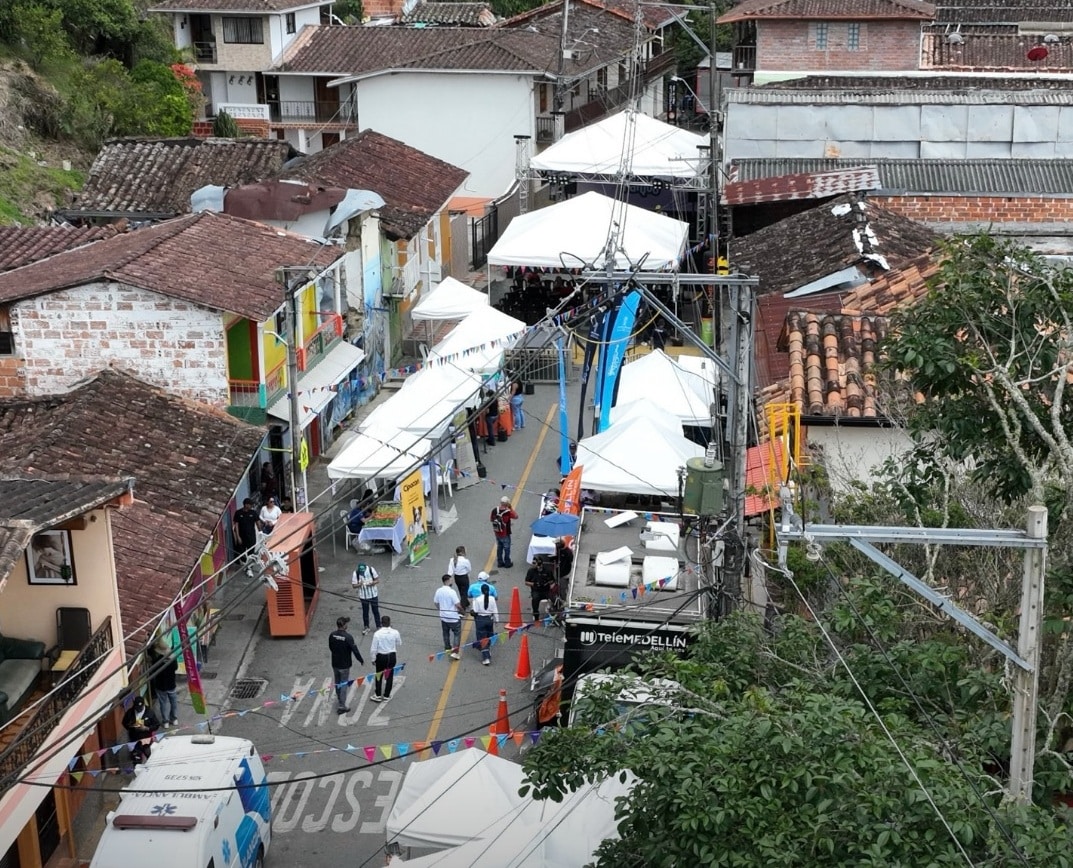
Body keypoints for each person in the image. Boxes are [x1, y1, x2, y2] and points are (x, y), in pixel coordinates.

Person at [328, 616, 365, 715]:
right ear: (344, 625)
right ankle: (342, 705)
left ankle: (340, 698)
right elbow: (355, 650)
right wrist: (360, 660)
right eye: (346, 623)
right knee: (344, 683)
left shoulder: (332, 635)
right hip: (344, 665)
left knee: (337, 682)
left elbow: (331, 647)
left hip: (335, 663)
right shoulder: (348, 637)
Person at [149, 638, 179, 729]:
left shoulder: (157, 661)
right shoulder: (173, 660)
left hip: (160, 686)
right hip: (171, 685)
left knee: (163, 704)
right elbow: (176, 668)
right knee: (173, 702)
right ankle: (174, 719)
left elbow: (153, 671)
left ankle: (165, 721)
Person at [370, 616, 402, 702]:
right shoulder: (395, 632)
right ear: (389, 623)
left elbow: (373, 649)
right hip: (391, 656)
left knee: (379, 675)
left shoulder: (377, 634)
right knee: (389, 675)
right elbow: (399, 643)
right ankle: (387, 695)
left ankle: (378, 694)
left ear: (381, 623)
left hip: (381, 657)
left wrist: (373, 659)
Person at [122, 695, 160, 764]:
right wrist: (132, 727)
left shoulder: (149, 712)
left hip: (146, 740)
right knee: (136, 760)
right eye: (137, 708)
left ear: (143, 705)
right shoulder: (130, 712)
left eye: (141, 708)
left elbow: (157, 725)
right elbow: (124, 723)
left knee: (150, 758)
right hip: (134, 740)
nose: (139, 709)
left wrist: (147, 728)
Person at [434, 574, 463, 660]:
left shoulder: (439, 591)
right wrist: (462, 611)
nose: (452, 581)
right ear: (447, 581)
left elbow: (436, 602)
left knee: (445, 633)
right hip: (453, 617)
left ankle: (447, 648)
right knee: (457, 634)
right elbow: (458, 605)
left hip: (443, 617)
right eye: (451, 580)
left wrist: (441, 609)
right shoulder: (452, 592)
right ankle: (455, 652)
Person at [470, 581, 498, 666]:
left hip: (480, 620)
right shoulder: (492, 599)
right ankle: (487, 650)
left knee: (482, 638)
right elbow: (495, 610)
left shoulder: (477, 599)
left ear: (481, 591)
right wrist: (497, 620)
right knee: (489, 636)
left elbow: (475, 611)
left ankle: (486, 658)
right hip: (489, 619)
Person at [351, 562, 381, 635]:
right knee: (365, 612)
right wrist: (360, 584)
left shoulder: (371, 570)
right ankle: (366, 627)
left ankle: (378, 626)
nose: (362, 573)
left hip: (373, 594)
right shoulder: (356, 573)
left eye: (363, 571)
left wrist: (372, 583)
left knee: (376, 611)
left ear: (365, 568)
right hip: (363, 596)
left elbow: (377, 580)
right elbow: (354, 585)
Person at [490, 497, 518, 569]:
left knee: (499, 547)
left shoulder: (494, 510)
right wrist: (510, 508)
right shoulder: (508, 512)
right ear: (507, 503)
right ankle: (507, 562)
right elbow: (516, 516)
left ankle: (500, 562)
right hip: (505, 533)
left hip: (497, 532)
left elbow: (491, 519)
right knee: (507, 548)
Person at [525, 557, 554, 621]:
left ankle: (552, 613)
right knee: (535, 599)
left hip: (546, 590)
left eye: (534, 563)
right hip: (536, 590)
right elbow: (526, 582)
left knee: (553, 598)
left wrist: (547, 583)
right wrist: (534, 584)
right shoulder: (531, 571)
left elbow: (552, 581)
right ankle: (536, 614)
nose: (533, 564)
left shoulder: (547, 571)